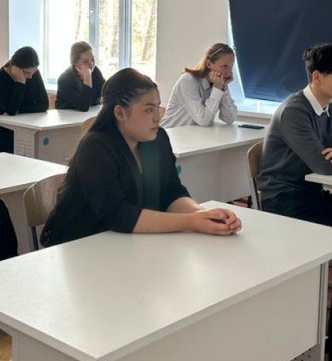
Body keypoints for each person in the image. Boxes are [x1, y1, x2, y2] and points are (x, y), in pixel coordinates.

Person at [41, 68, 241, 246]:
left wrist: (202, 215)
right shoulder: (96, 147)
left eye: (157, 107)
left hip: (128, 244)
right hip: (82, 247)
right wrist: (191, 222)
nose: (157, 117)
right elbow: (118, 215)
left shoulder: (157, 139)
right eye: (148, 109)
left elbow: (171, 191)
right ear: (120, 113)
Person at [256, 43, 332, 267]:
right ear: (318, 77)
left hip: (313, 195)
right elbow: (325, 166)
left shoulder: (331, 111)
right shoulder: (294, 111)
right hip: (285, 201)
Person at [0, 46, 48, 154]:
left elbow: (43, 105)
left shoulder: (33, 74)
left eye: (33, 72)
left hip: (23, 126)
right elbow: (11, 110)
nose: (30, 77)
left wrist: (19, 110)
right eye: (27, 73)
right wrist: (20, 83)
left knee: (38, 146)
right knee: (24, 149)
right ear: (15, 68)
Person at [160, 42, 238, 128]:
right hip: (170, 133)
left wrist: (224, 87)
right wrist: (218, 88)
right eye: (224, 66)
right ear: (209, 64)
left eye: (231, 67)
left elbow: (229, 119)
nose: (229, 72)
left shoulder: (218, 84)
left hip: (193, 135)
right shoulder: (187, 81)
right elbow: (203, 120)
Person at [55, 41, 106, 111]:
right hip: (67, 116)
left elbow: (107, 93)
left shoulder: (95, 72)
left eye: (92, 59)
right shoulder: (64, 79)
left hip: (90, 114)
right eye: (85, 62)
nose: (91, 65)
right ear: (75, 63)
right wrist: (87, 77)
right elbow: (84, 106)